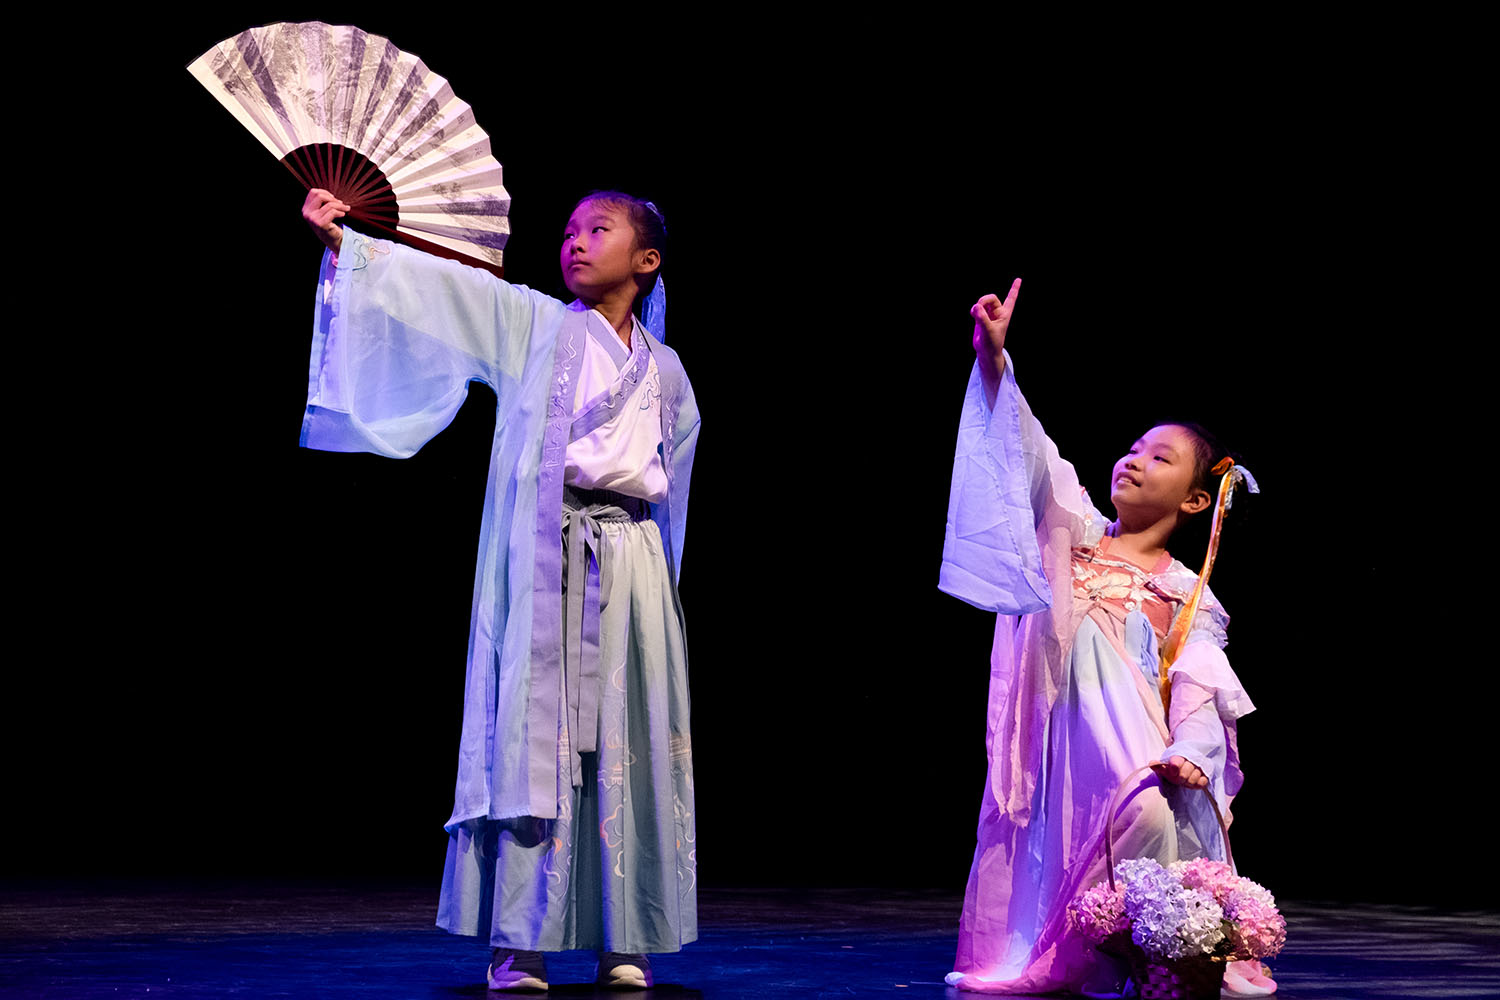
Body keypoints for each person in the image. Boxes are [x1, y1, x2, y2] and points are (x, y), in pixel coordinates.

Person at [299, 188, 700, 992]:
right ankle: (521, 940)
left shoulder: (666, 371)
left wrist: (662, 594)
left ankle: (629, 935)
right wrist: (350, 245)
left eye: (599, 230)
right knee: (533, 743)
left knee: (628, 743)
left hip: (630, 566)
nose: (577, 243)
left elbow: (674, 489)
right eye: (569, 232)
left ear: (646, 259)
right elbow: (448, 291)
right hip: (546, 560)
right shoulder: (532, 323)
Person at [939, 281, 1273, 996]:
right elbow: (1029, 447)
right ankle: (1053, 958)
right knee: (1053, 835)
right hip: (1063, 743)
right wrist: (995, 360)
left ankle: (1130, 955)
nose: (1135, 459)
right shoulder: (1073, 530)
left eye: (1159, 458)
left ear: (1192, 499)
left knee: (1149, 814)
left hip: (1134, 745)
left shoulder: (1187, 590)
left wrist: (1190, 751)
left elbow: (1201, 688)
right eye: (1133, 448)